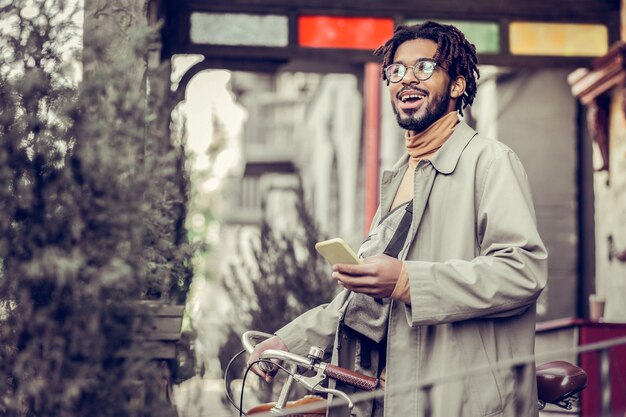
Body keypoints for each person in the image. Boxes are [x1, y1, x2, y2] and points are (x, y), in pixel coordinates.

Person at [248, 21, 547, 417]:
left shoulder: (490, 162)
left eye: (424, 67)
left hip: (461, 402)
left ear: (457, 85)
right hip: (386, 397)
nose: (407, 79)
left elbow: (522, 271)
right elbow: (364, 304)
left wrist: (408, 281)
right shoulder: (400, 175)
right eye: (396, 70)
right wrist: (289, 341)